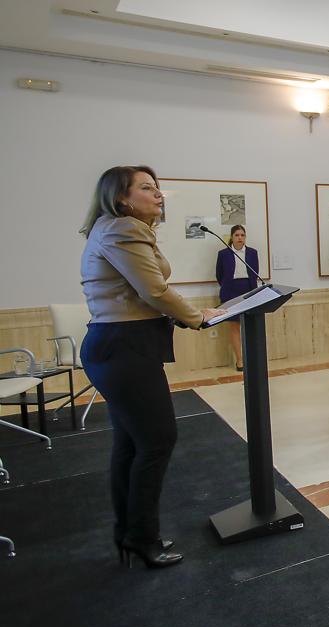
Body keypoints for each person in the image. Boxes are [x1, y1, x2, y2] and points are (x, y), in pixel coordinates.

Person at [79, 165, 225, 568]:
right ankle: (142, 538)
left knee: (131, 444)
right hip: (124, 349)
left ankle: (129, 534)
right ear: (121, 197)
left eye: (157, 187)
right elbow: (154, 289)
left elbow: (147, 292)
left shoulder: (115, 229)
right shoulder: (123, 229)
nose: (158, 194)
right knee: (157, 440)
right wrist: (198, 317)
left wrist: (191, 312)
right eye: (146, 188)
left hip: (119, 347)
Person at [214, 224, 261, 371]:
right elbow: (219, 275)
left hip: (248, 289)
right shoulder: (224, 254)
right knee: (234, 326)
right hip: (231, 291)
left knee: (250, 326)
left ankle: (251, 358)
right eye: (237, 235)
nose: (240, 238)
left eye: (242, 235)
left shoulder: (252, 253)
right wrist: (228, 287)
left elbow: (255, 272)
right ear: (232, 237)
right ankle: (239, 360)